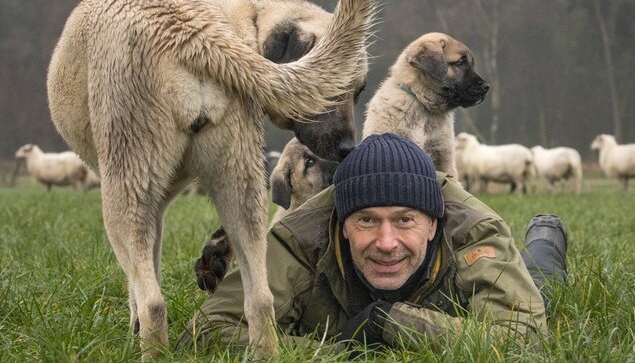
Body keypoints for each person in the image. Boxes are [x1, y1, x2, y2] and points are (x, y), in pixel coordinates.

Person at [179, 133, 567, 352]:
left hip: (480, 266)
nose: (386, 242)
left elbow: (523, 342)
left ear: (433, 224)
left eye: (404, 220)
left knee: (539, 290)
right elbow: (205, 334)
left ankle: (547, 230)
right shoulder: (300, 239)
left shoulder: (475, 232)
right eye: (366, 220)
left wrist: (391, 322)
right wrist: (343, 352)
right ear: (342, 224)